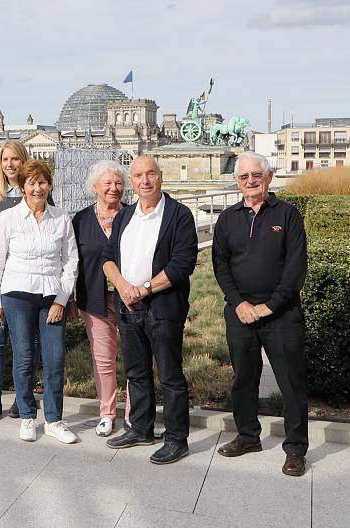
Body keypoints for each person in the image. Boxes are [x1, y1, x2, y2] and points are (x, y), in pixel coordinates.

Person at [212, 151, 309, 477]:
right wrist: (239, 303)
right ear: (237, 181)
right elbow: (221, 265)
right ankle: (247, 436)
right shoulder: (227, 219)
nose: (251, 181)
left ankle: (295, 449)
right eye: (244, 177)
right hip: (240, 313)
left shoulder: (288, 214)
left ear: (268, 178)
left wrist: (269, 306)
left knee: (291, 383)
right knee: (243, 379)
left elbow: (296, 267)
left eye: (257, 175)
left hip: (280, 314)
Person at [101, 155, 198, 465]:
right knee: (136, 373)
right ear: (133, 180)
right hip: (128, 307)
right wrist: (122, 286)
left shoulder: (179, 215)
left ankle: (176, 438)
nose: (145, 180)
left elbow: (182, 264)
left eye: (151, 174)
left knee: (170, 375)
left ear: (160, 176)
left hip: (161, 307)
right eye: (139, 175)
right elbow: (107, 258)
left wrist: (144, 289)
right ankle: (141, 428)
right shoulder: (125, 216)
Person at [0, 160, 79, 444]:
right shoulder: (9, 218)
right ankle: (27, 416)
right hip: (17, 296)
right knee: (24, 358)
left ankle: (54, 419)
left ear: (49, 185)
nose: (37, 188)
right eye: (32, 183)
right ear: (23, 187)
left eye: (42, 182)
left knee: (54, 359)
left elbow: (71, 261)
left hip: (52, 296)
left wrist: (62, 300)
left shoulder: (62, 218)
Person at [72, 160, 131, 437]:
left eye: (118, 183)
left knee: (135, 358)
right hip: (94, 298)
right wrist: (70, 297)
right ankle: (107, 413)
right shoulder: (81, 220)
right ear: (95, 186)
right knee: (103, 359)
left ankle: (134, 413)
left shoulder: (133, 216)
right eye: (107, 183)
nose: (114, 188)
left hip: (130, 298)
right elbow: (72, 261)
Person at [0, 140, 31, 423]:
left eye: (15, 159)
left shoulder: (36, 193)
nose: (10, 165)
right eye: (5, 160)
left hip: (26, 279)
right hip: (0, 277)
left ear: (23, 161)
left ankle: (21, 395)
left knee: (23, 340)